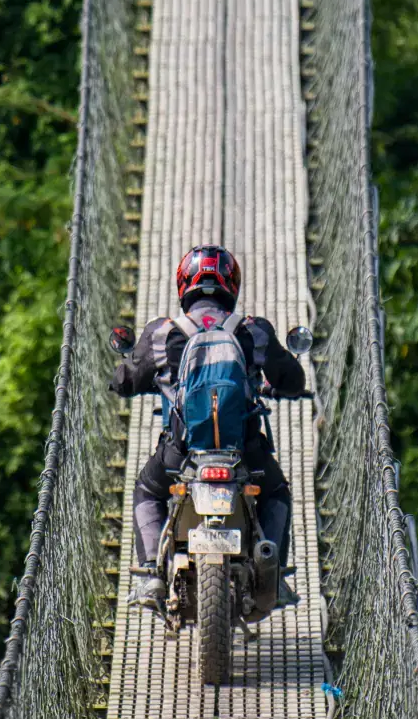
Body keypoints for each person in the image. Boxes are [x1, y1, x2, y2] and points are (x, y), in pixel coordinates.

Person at [112, 244, 306, 613]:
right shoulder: (254, 332)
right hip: (245, 451)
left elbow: (125, 380)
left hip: (181, 453)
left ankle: (152, 572)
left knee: (147, 490)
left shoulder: (162, 333)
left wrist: (135, 377)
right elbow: (292, 380)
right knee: (276, 491)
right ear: (232, 285)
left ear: (183, 284)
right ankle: (275, 576)